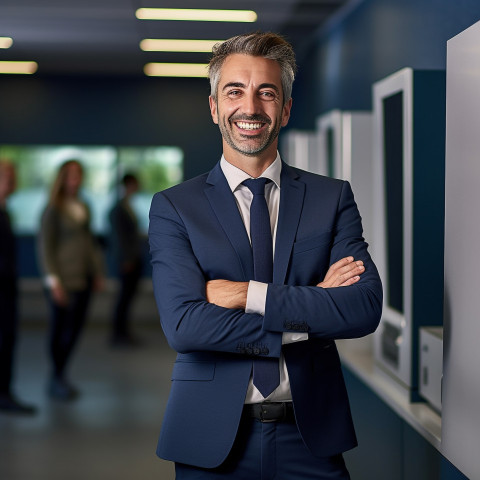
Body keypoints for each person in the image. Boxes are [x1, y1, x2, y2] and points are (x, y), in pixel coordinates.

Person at [148, 32, 383, 479]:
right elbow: (185, 325)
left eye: (267, 93)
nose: (251, 108)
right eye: (235, 91)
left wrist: (246, 294)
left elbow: (361, 309)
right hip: (210, 439)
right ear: (215, 107)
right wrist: (308, 312)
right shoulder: (175, 206)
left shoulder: (330, 199)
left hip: (311, 438)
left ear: (286, 109)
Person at [37, 160, 104, 400]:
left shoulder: (83, 207)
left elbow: (90, 243)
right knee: (60, 331)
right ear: (63, 178)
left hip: (83, 279)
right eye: (71, 175)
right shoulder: (53, 209)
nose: (75, 179)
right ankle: (56, 376)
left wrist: (97, 271)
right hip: (63, 282)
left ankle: (62, 373)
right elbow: (45, 247)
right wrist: (53, 282)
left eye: (79, 175)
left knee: (75, 330)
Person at [0, 160, 37, 414]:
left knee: (7, 341)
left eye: (13, 178)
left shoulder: (5, 211)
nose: (12, 183)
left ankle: (5, 392)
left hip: (7, 291)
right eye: (7, 177)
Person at [108, 173, 143, 347]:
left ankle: (123, 332)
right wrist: (126, 259)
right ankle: (118, 334)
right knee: (123, 297)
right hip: (127, 261)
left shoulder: (128, 206)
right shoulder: (119, 209)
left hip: (133, 259)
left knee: (127, 297)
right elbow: (119, 238)